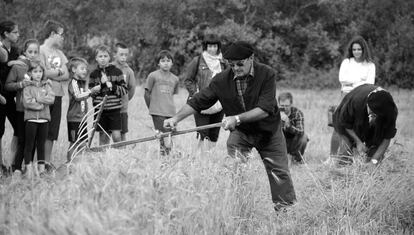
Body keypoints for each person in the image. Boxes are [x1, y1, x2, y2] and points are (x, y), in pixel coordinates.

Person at [164, 41, 296, 211]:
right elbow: (198, 101)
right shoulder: (221, 80)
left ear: (251, 58)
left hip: (268, 132)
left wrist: (237, 118)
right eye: (232, 65)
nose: (236, 68)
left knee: (279, 172)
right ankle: (239, 207)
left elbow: (265, 109)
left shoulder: (266, 74)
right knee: (235, 169)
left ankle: (285, 211)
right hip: (241, 133)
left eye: (240, 64)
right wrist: (175, 119)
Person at [330, 35, 376, 156]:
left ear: (364, 49)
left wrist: (353, 83)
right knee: (338, 125)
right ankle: (332, 156)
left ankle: (356, 154)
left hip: (361, 98)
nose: (356, 52)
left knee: (357, 126)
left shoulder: (370, 65)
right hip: (345, 95)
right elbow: (342, 79)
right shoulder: (347, 62)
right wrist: (360, 81)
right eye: (354, 49)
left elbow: (370, 84)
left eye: (359, 49)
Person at [332, 84, 397, 165]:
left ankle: (368, 170)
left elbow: (387, 137)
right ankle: (340, 170)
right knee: (346, 151)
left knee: (375, 155)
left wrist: (373, 162)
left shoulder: (390, 111)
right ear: (368, 105)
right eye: (372, 113)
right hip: (347, 120)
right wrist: (358, 141)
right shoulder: (356, 102)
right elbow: (345, 123)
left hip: (373, 124)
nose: (373, 117)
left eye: (376, 116)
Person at [184, 34, 226, 149]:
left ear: (218, 47)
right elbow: (188, 80)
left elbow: (228, 81)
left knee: (214, 135)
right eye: (210, 46)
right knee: (202, 133)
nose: (212, 49)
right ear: (205, 47)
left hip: (219, 104)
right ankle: (201, 161)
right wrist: (196, 94)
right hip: (201, 104)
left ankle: (210, 160)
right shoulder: (197, 61)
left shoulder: (223, 62)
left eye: (215, 46)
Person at [38, 20, 69, 170]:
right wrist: (58, 72)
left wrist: (51, 74)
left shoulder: (60, 54)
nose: (63, 38)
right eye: (61, 35)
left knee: (52, 132)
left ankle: (47, 163)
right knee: (41, 128)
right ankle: (38, 163)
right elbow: (41, 73)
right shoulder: (40, 50)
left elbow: (67, 75)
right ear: (52, 34)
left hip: (58, 95)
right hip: (43, 95)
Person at [5, 39, 38, 172]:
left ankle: (28, 166)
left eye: (36, 52)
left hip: (36, 110)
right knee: (21, 138)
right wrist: (20, 85)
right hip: (21, 109)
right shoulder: (18, 67)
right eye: (30, 51)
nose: (33, 54)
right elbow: (8, 85)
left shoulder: (39, 68)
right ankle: (15, 166)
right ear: (25, 52)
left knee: (33, 139)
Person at [89, 45, 127, 145]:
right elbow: (91, 93)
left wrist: (113, 87)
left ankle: (118, 155)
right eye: (100, 56)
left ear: (109, 58)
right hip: (100, 110)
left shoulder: (117, 72)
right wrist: (101, 85)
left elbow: (124, 90)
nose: (103, 59)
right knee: (103, 136)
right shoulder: (94, 74)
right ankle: (104, 158)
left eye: (105, 56)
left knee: (116, 135)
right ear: (96, 58)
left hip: (114, 109)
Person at [22, 61, 55, 177]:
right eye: (35, 71)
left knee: (41, 145)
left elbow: (51, 99)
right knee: (29, 145)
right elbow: (27, 102)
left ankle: (41, 171)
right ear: (30, 73)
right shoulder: (27, 87)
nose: (38, 74)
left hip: (44, 120)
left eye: (40, 71)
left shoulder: (47, 85)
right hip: (31, 120)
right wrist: (41, 104)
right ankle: (29, 170)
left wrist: (38, 100)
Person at [144, 50, 179, 155]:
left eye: (168, 60)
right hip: (158, 112)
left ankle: (168, 158)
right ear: (158, 63)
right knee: (163, 137)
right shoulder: (153, 76)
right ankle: (164, 158)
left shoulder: (175, 79)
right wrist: (152, 108)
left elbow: (172, 95)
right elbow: (146, 94)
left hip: (171, 113)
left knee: (171, 135)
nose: (166, 63)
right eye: (163, 61)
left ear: (172, 63)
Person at [0, 20, 20, 174]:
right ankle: (1, 165)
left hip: (10, 97)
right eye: (15, 32)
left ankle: (12, 164)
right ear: (6, 34)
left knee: (20, 128)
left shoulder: (16, 50)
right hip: (0, 96)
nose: (18, 35)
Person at [66, 57, 91, 162]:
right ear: (74, 70)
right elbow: (78, 96)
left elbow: (83, 100)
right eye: (82, 68)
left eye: (85, 69)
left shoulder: (81, 83)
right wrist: (91, 92)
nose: (85, 71)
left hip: (82, 118)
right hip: (74, 119)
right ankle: (69, 163)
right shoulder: (73, 83)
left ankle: (80, 164)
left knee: (83, 143)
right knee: (74, 142)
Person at [112, 43, 136, 141]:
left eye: (126, 55)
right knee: (107, 133)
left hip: (122, 109)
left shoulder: (129, 71)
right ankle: (106, 153)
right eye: (121, 54)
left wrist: (125, 99)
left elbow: (132, 88)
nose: (123, 57)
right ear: (114, 54)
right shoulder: (109, 68)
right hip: (109, 107)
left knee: (122, 134)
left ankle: (121, 153)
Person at [278, 92, 308, 164]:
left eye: (287, 106)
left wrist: (289, 126)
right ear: (278, 104)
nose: (284, 108)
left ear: (291, 104)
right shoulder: (274, 112)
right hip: (279, 141)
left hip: (293, 141)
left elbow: (301, 131)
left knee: (304, 137)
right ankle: (276, 158)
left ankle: (296, 159)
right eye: (282, 106)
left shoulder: (297, 113)